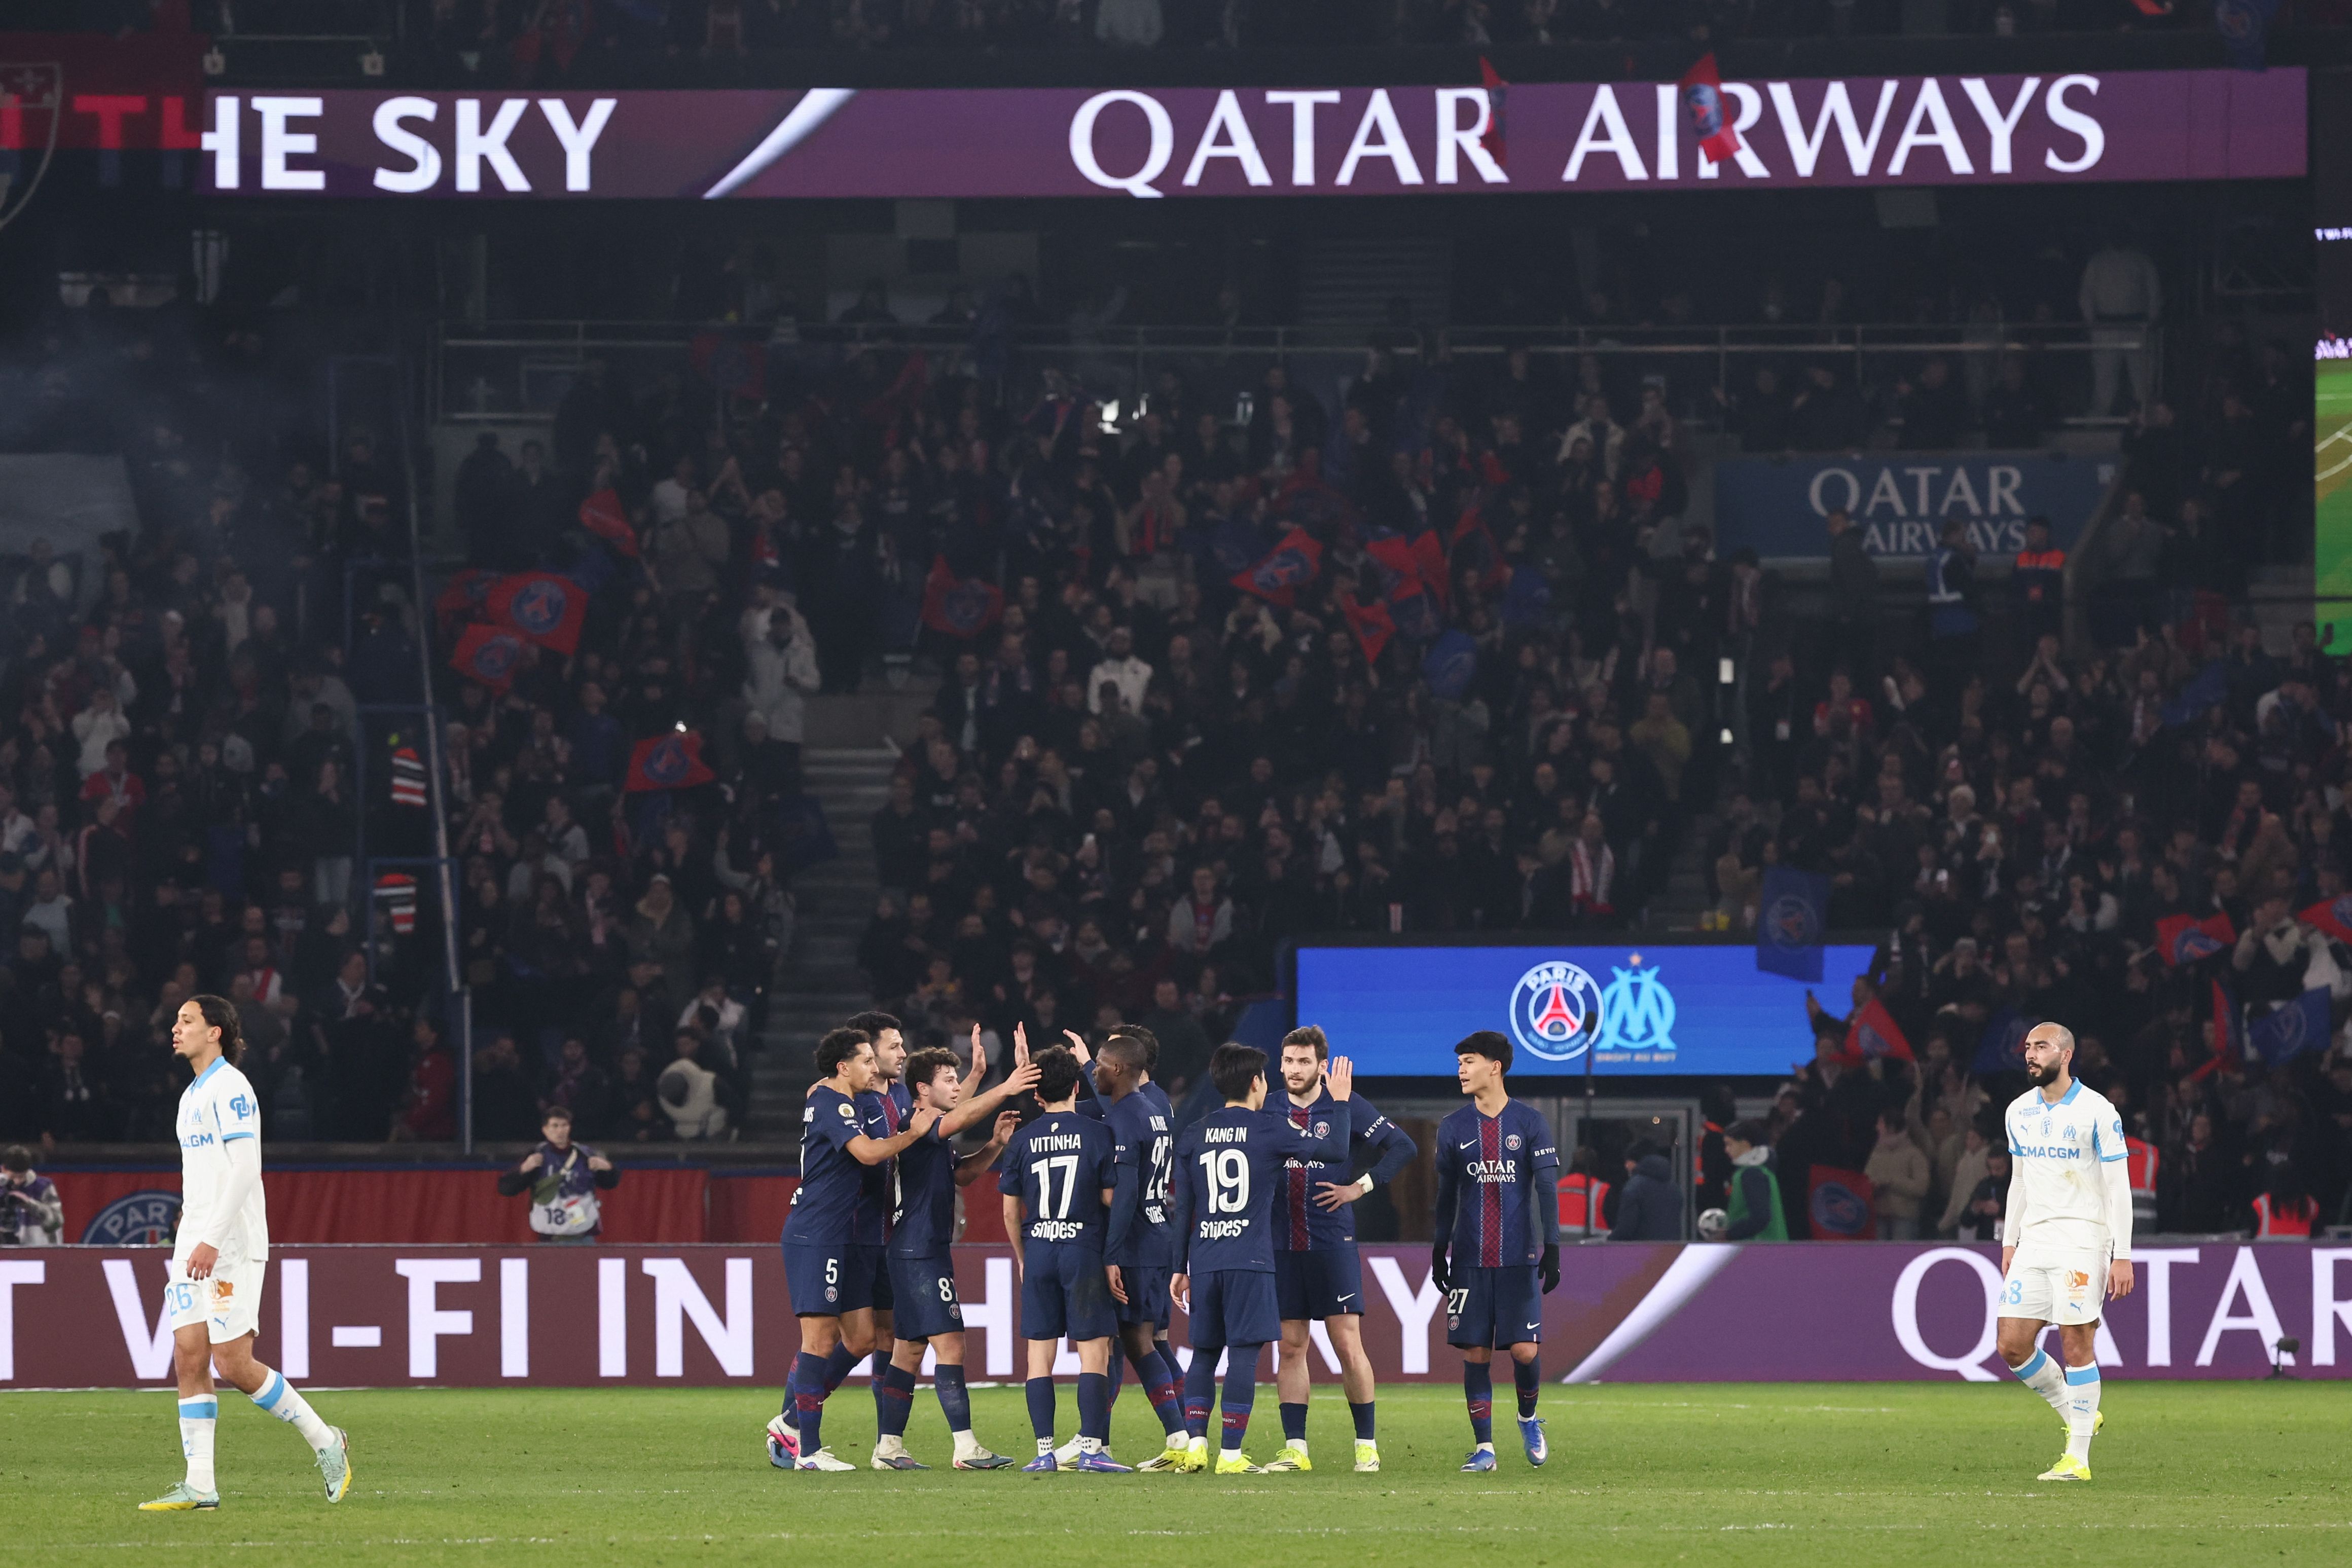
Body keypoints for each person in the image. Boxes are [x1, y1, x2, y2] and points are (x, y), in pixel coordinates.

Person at [141, 995, 352, 1511]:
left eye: (186, 1021)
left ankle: (328, 1443)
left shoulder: (232, 1087)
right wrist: (193, 1231)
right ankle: (201, 1485)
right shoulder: (191, 1093)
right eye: (176, 1021)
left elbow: (244, 1169)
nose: (176, 1028)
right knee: (189, 1356)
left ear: (215, 1032)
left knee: (233, 1363)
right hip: (194, 1238)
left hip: (229, 1243)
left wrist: (212, 1236)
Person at [1168, 1042, 1353, 1475]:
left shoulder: (1194, 1132)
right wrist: (1340, 1103)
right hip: (1249, 1260)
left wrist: (1180, 1267)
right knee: (1244, 1356)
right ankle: (1230, 1455)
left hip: (1206, 1259)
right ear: (1256, 1082)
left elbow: (1184, 1208)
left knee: (1204, 1354)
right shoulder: (1271, 1128)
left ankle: (1196, 1445)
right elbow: (1336, 1151)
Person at [768, 1026, 939, 1472]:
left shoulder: (836, 1099)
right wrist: (914, 1135)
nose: (872, 1067)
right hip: (816, 1233)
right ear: (843, 1066)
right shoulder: (830, 1101)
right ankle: (807, 1448)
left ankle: (790, 1423)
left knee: (862, 1337)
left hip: (839, 1232)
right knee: (819, 1339)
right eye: (865, 1060)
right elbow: (866, 1153)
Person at [872, 1034, 1038, 1470]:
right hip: (919, 1251)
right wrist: (1005, 1085)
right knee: (952, 1345)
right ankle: (965, 1447)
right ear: (924, 1089)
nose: (955, 1085)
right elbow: (961, 1114)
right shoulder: (922, 1121)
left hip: (915, 1249)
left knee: (908, 1352)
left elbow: (962, 1175)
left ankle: (888, 1447)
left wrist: (996, 1143)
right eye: (948, 1079)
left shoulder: (931, 1131)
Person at [1267, 1025, 1417, 1474]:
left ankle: (1366, 1445)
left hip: (1331, 1238)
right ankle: (1296, 1448)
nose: (1295, 1070)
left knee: (1346, 1342)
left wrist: (1360, 1186)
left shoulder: (1344, 1102)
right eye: (1289, 1061)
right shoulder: (1269, 1107)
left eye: (1304, 1062)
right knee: (1291, 1346)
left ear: (1321, 1066)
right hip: (1280, 1241)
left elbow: (1403, 1147)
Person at [1994, 1023, 2133, 1483]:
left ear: (2067, 1053)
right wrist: (2009, 1241)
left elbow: (2118, 1186)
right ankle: (2077, 1412)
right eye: (2028, 1047)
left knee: (2076, 1342)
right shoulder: (2018, 1111)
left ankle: (2077, 1458)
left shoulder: (2097, 1110)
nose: (2031, 1054)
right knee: (2011, 1345)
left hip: (2082, 1239)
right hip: (2034, 1240)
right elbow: (2018, 1180)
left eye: (2041, 1047)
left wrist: (2122, 1253)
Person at [1432, 1030, 1560, 1474]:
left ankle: (1527, 1417)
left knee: (1524, 1350)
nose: (1461, 1070)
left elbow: (1545, 1185)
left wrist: (1554, 1246)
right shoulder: (1453, 1127)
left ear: (1495, 1067)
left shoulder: (1529, 1122)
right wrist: (1437, 1249)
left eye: (1468, 1061)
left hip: (1517, 1258)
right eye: (1459, 1062)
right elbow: (1446, 1195)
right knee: (1475, 1354)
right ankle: (1484, 1448)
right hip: (1468, 1259)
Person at [998, 1044, 1130, 1472]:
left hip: (1038, 1248)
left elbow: (1008, 1210)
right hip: (1082, 1249)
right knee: (1093, 1351)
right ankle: (1091, 1449)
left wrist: (1022, 1256)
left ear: (1037, 1095)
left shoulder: (1020, 1140)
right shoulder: (1097, 1132)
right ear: (1077, 1086)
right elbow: (1110, 1196)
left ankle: (1043, 1452)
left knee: (1040, 1355)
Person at [494, 1107, 620, 1243]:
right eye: (555, 1126)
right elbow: (506, 1189)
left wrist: (608, 1168)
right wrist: (524, 1169)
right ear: (545, 1130)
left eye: (564, 1126)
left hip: (583, 1236)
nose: (560, 1131)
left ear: (570, 1128)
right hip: (550, 1238)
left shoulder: (585, 1155)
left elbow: (610, 1183)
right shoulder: (537, 1155)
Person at [1718, 1121, 1786, 1241]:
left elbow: (1760, 1218)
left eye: (1729, 1144)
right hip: (1772, 1248)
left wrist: (1729, 1234)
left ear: (1745, 1145)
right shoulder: (1765, 1171)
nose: (1726, 1150)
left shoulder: (1751, 1174)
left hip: (1756, 1249)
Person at [1608, 1139, 1680, 1241]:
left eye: (1628, 1161)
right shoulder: (1674, 1188)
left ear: (1637, 1162)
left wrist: (1610, 1240)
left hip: (1641, 1250)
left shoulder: (1634, 1188)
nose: (1626, 1166)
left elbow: (1626, 1228)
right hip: (1670, 1250)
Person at [0, 1145, 63, 1245]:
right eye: (13, 1177)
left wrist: (29, 1203)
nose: (17, 1182)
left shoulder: (43, 1186)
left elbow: (56, 1222)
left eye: (21, 1177)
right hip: (7, 1254)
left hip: (41, 1250)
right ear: (3, 1169)